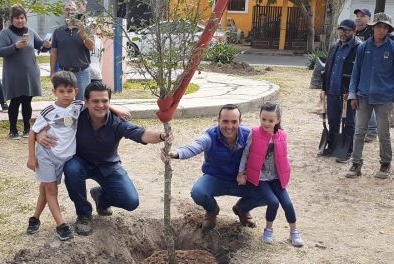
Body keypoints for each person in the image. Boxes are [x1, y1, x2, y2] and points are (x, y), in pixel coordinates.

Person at [37, 81, 169, 236]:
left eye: (105, 101)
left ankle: (101, 197)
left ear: (109, 102)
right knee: (71, 168)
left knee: (131, 201)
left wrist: (161, 136)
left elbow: (141, 133)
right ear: (86, 102)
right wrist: (40, 133)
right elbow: (49, 120)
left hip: (108, 165)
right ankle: (84, 215)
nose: (100, 105)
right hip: (80, 162)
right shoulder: (76, 116)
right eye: (95, 101)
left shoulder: (117, 122)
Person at [162, 104, 265, 232]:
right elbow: (195, 146)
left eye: (234, 122)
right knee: (198, 192)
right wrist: (176, 153)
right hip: (216, 179)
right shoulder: (210, 136)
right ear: (218, 120)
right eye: (225, 121)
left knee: (269, 194)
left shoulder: (250, 135)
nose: (229, 126)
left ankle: (242, 209)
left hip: (241, 181)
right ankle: (211, 211)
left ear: (240, 121)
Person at [237, 102, 304, 247]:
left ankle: (294, 232)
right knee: (273, 202)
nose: (266, 123)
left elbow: (283, 157)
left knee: (287, 203)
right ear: (260, 117)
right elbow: (246, 154)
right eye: (263, 119)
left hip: (276, 177)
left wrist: (285, 174)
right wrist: (241, 173)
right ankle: (268, 230)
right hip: (260, 177)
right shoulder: (254, 133)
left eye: (271, 120)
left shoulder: (282, 135)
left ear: (278, 120)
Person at [26, 71, 82, 241]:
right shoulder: (49, 111)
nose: (66, 95)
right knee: (51, 190)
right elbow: (32, 133)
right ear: (54, 92)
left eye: (69, 91)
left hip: (66, 157)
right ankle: (61, 226)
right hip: (47, 156)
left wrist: (116, 109)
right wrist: (31, 158)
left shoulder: (79, 106)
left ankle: (34, 219)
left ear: (76, 91)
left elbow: (100, 104)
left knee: (44, 190)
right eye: (61, 91)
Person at [346, 13, 394, 179]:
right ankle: (356, 163)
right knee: (359, 131)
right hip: (363, 95)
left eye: (385, 27)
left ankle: (385, 163)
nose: (382, 30)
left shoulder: (392, 49)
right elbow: (355, 73)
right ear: (373, 27)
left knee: (383, 132)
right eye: (379, 26)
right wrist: (353, 95)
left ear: (388, 29)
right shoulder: (363, 48)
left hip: (385, 98)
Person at [0, 5, 50, 139]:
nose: (20, 21)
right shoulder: (6, 33)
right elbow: (0, 51)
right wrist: (15, 46)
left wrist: (46, 45)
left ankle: (27, 128)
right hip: (14, 74)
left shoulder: (30, 32)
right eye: (17, 18)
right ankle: (13, 129)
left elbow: (40, 46)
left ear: (25, 19)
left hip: (30, 73)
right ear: (11, 19)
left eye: (22, 18)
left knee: (27, 101)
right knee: (15, 101)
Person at [320, 19, 360, 162]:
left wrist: (352, 91)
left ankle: (347, 149)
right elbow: (328, 67)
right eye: (341, 30)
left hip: (348, 93)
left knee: (349, 122)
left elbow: (359, 72)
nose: (343, 33)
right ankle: (332, 145)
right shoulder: (334, 46)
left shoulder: (358, 48)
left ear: (354, 32)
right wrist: (324, 86)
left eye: (347, 30)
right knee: (333, 120)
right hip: (332, 90)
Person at [50, 0, 94, 100]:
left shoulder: (85, 28)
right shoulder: (58, 31)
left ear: (77, 12)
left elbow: (91, 47)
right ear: (63, 12)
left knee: (82, 103)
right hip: (64, 73)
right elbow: (54, 53)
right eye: (67, 9)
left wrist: (83, 35)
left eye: (72, 10)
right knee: (65, 101)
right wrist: (52, 72)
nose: (69, 12)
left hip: (81, 73)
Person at [354, 8, 378, 143]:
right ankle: (362, 129)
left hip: (368, 75)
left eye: (362, 16)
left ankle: (372, 131)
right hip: (356, 72)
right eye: (357, 16)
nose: (358, 18)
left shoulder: (371, 34)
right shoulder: (355, 32)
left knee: (367, 101)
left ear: (369, 19)